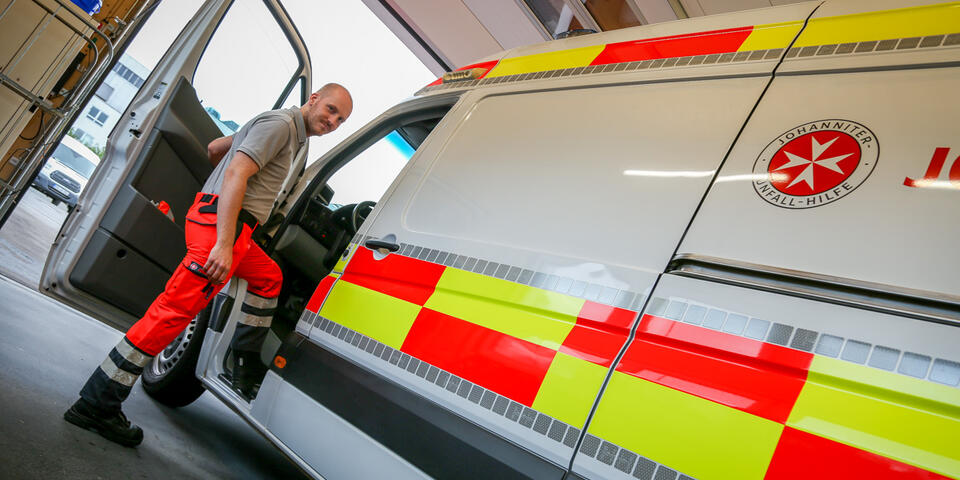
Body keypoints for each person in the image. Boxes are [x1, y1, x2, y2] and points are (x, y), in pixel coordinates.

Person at [64, 83, 353, 447]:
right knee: (170, 315)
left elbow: (217, 149)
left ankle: (244, 363)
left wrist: (221, 200)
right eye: (329, 109)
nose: (332, 121)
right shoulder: (281, 125)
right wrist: (223, 239)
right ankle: (96, 404)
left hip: (232, 228)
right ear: (313, 100)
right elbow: (235, 173)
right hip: (223, 230)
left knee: (269, 278)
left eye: (340, 119)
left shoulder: (291, 134)